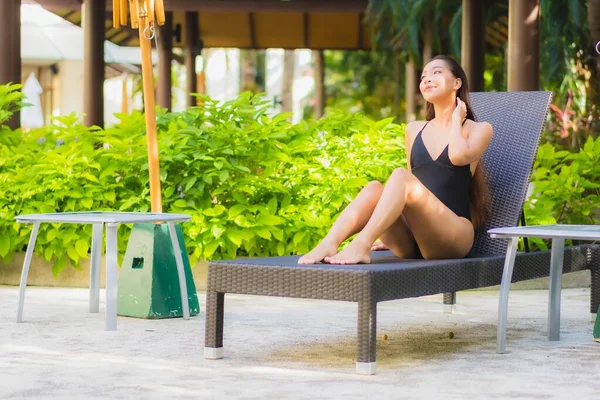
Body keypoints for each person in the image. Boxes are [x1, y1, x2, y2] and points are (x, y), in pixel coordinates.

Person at [298, 55, 493, 265]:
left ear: (457, 82)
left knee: (401, 176)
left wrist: (456, 120)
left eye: (436, 72)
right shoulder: (414, 129)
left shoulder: (479, 129)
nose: (426, 79)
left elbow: (457, 155)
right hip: (416, 238)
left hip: (454, 236)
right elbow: (413, 188)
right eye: (423, 77)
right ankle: (330, 242)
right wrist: (390, 228)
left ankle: (361, 244)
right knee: (374, 188)